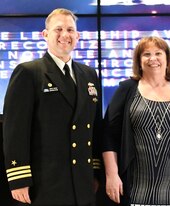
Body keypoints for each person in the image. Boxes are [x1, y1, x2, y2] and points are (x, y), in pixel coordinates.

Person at [2, 8, 103, 205]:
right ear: (45, 35)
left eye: (70, 30)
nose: (65, 35)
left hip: (82, 182)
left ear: (78, 36)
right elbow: (15, 130)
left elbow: (94, 127)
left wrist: (95, 171)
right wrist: (19, 179)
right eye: (58, 29)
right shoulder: (29, 72)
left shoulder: (89, 74)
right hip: (46, 182)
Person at [102, 36, 170, 206]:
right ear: (139, 61)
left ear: (167, 59)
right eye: (146, 54)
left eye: (158, 53)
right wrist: (112, 175)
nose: (153, 59)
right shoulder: (126, 90)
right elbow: (109, 136)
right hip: (134, 190)